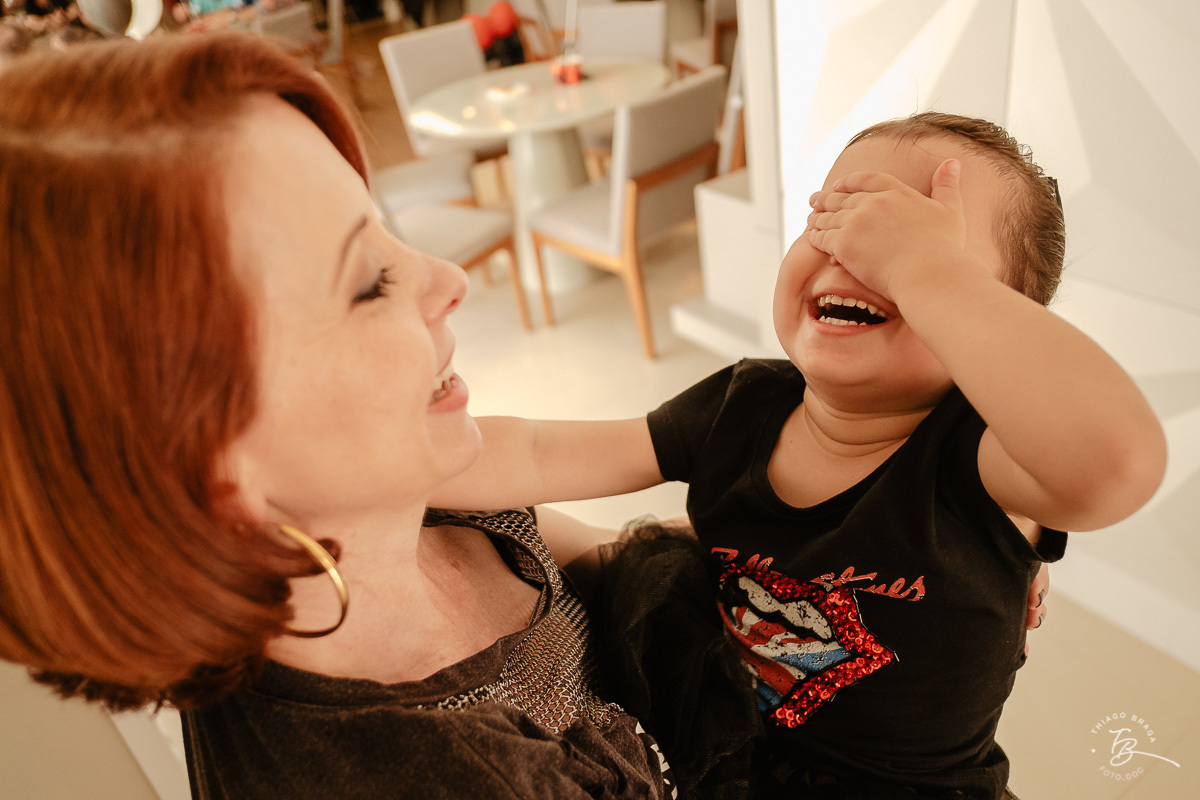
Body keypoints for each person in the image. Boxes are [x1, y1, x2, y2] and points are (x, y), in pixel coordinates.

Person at [0, 33, 676, 799]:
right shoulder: (428, 777)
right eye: (366, 282)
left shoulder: (401, 502)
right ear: (206, 463)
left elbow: (619, 563)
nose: (448, 279)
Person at [430, 113, 1168, 798]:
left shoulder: (980, 457)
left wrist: (927, 272)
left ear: (993, 325)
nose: (859, 251)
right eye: (836, 219)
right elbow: (538, 450)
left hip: (911, 789)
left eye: (918, 241)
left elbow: (1117, 463)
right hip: (739, 747)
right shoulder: (745, 404)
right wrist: (406, 455)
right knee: (504, 523)